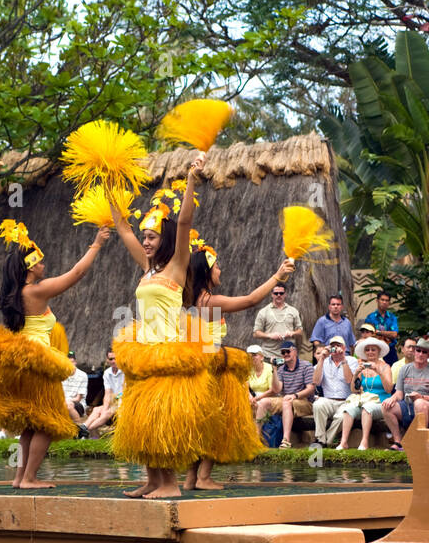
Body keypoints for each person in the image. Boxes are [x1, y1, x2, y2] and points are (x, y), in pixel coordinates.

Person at [0, 219, 111, 489]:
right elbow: (76, 274)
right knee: (48, 424)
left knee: (31, 424)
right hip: (39, 366)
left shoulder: (17, 294)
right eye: (39, 262)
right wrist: (96, 244)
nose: (44, 265)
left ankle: (20, 478)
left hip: (24, 366)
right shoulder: (37, 291)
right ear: (29, 267)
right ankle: (29, 477)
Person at [108, 158, 209, 497]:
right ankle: (152, 481)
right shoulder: (147, 268)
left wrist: (192, 178)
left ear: (162, 239)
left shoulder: (176, 268)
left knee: (160, 419)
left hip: (166, 351)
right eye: (145, 237)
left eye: (151, 237)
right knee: (141, 419)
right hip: (142, 351)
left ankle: (170, 485)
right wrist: (107, 177)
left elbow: (183, 222)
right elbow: (122, 227)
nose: (146, 242)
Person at [182, 232, 295, 488]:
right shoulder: (209, 302)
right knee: (219, 421)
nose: (220, 270)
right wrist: (277, 276)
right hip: (213, 370)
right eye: (217, 266)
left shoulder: (187, 300)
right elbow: (251, 300)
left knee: (200, 423)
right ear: (207, 271)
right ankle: (203, 477)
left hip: (194, 370)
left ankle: (190, 478)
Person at [336, 337, 398, 450]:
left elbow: (389, 389)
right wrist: (356, 374)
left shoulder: (385, 367)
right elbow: (354, 390)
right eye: (367, 350)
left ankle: (364, 442)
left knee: (367, 408)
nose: (370, 352)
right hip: (364, 400)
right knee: (349, 409)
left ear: (378, 352)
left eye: (373, 349)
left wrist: (378, 371)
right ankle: (343, 442)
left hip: (381, 402)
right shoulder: (363, 367)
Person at [384, 339, 429, 432]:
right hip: (406, 404)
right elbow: (399, 393)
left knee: (419, 403)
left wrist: (421, 397)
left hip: (427, 405)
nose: (420, 354)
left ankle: (421, 439)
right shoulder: (404, 369)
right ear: (414, 352)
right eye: (418, 350)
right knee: (386, 406)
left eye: (424, 352)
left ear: (428, 355)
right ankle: (397, 441)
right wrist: (392, 398)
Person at [311, 335, 359, 446]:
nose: (335, 348)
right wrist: (322, 358)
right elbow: (316, 382)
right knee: (318, 405)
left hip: (346, 400)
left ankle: (325, 441)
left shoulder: (351, 360)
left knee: (342, 416)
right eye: (332, 346)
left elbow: (349, 380)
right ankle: (320, 438)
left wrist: (343, 359)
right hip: (328, 399)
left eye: (338, 345)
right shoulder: (323, 362)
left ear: (344, 347)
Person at [251, 282, 303, 362]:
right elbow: (255, 333)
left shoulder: (293, 311)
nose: (279, 295)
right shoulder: (263, 311)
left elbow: (300, 331)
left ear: (285, 294)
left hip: (288, 356)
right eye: (276, 293)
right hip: (269, 356)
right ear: (272, 294)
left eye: (281, 293)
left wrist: (292, 333)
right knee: (271, 374)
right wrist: (269, 335)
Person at [82, 350, 123, 439]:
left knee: (108, 412)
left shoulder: (125, 371)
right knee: (97, 409)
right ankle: (86, 430)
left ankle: (85, 430)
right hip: (114, 402)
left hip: (124, 403)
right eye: (111, 359)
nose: (114, 361)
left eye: (116, 358)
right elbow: (107, 393)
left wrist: (109, 407)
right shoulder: (107, 373)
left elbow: (125, 393)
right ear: (107, 360)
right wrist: (104, 408)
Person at [364, 292, 400, 364]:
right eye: (382, 300)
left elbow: (394, 334)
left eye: (387, 300)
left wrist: (378, 332)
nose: (384, 302)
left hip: (390, 351)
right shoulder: (370, 317)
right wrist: (388, 334)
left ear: (389, 303)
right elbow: (368, 335)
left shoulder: (392, 317)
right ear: (377, 301)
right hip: (375, 351)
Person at [62, 352, 90, 425]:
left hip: (78, 404)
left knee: (68, 404)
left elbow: (78, 398)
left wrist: (64, 401)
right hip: (62, 402)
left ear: (75, 362)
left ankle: (80, 429)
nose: (70, 365)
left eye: (72, 362)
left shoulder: (82, 375)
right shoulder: (61, 374)